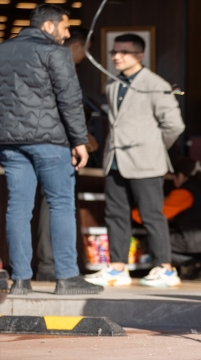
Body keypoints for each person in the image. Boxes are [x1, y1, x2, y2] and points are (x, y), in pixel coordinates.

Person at [0, 4, 103, 295]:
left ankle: (20, 280)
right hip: (49, 141)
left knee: (18, 209)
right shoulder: (55, 53)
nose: (67, 33)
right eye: (65, 27)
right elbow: (70, 99)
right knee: (61, 205)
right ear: (48, 26)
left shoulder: (2, 51)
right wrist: (79, 141)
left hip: (10, 143)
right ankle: (67, 277)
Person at [84, 34, 186, 288]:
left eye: (124, 52)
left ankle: (165, 268)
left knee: (152, 214)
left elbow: (174, 125)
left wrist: (153, 146)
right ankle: (117, 268)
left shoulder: (155, 83)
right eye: (114, 52)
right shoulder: (112, 83)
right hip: (115, 159)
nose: (117, 56)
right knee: (115, 214)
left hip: (146, 161)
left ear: (139, 55)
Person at [36, 26, 98, 282]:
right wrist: (79, 140)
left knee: (28, 207)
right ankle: (57, 269)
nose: (86, 57)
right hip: (57, 146)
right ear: (77, 47)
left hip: (31, 143)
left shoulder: (35, 63)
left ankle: (38, 269)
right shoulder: (61, 69)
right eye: (87, 51)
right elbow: (66, 108)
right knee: (56, 205)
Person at [131, 158, 201, 278]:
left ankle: (197, 264)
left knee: (150, 241)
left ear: (180, 176)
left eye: (174, 177)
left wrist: (132, 212)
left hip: (199, 244)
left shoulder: (185, 192)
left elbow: (156, 216)